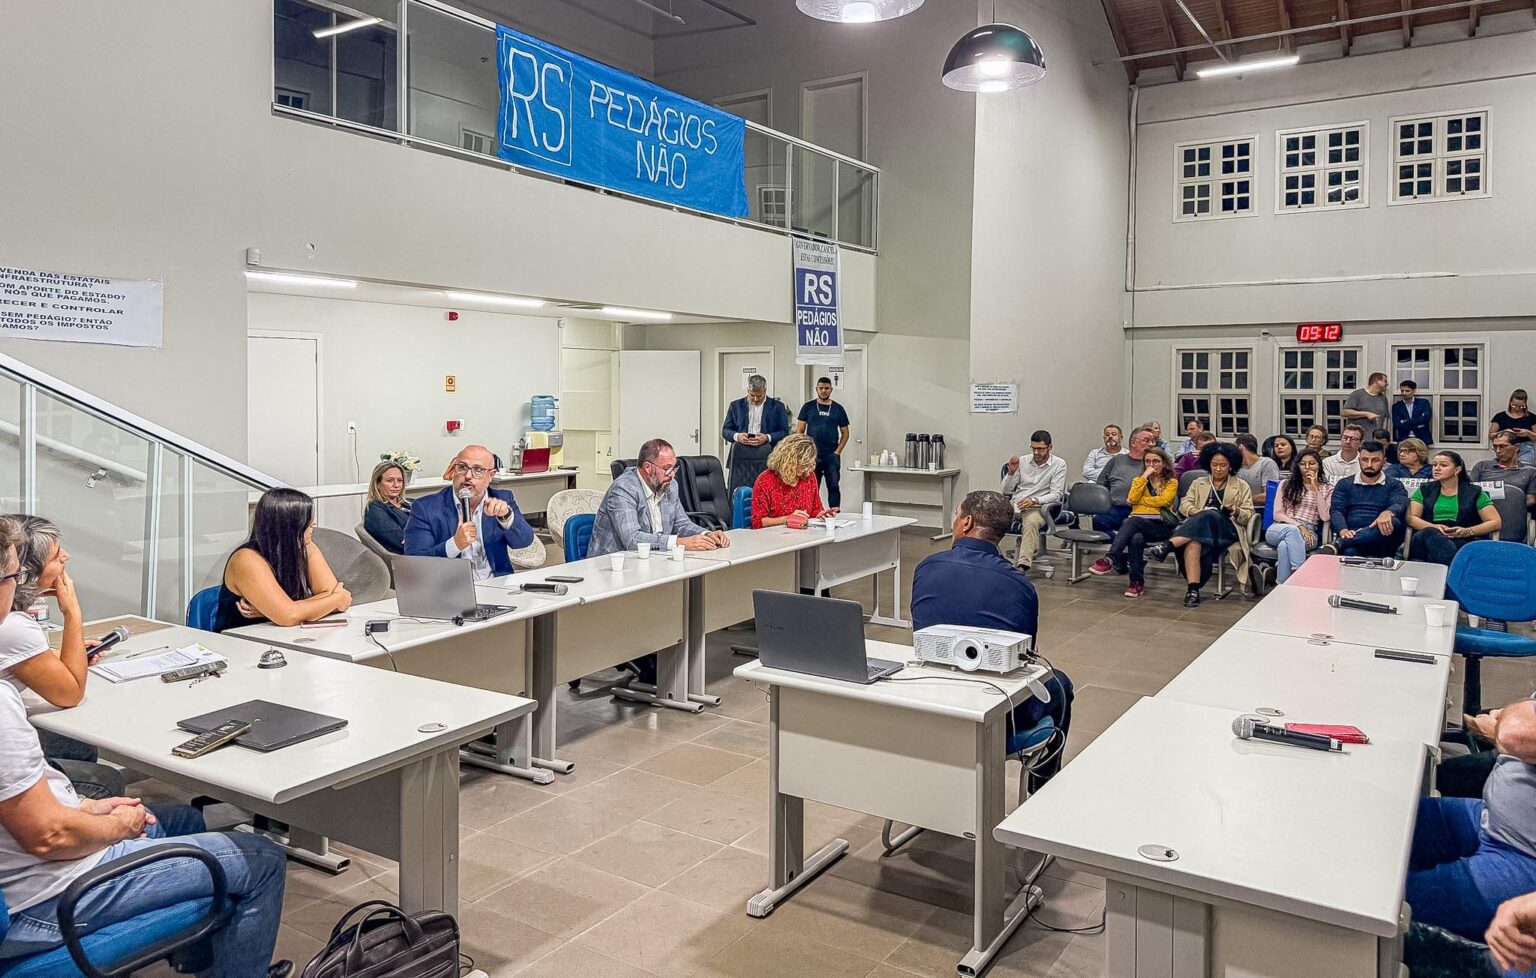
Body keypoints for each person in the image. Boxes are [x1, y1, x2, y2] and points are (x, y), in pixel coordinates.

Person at [0, 651, 288, 975]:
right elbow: (51, 836)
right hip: (42, 901)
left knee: (182, 820)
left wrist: (85, 807)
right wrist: (117, 826)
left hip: (28, 875)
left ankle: (205, 953)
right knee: (263, 859)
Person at [910, 491, 1072, 792]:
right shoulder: (1019, 585)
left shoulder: (927, 567)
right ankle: (1043, 786)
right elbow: (1024, 658)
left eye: (957, 515)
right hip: (1000, 712)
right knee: (1060, 684)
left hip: (929, 697)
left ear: (967, 523)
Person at [0, 518, 120, 801]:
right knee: (106, 777)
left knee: (78, 747)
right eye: (55, 556)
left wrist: (62, 653)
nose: (66, 556)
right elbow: (71, 693)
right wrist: (72, 611)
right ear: (26, 572)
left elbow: (20, 661)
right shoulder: (13, 626)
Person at [1405, 700, 1536, 952]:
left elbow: (1514, 732)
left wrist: (1501, 725)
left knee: (1385, 898)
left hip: (1523, 860)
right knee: (1389, 822)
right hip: (1491, 819)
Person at [215, 488, 351, 632]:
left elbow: (330, 592)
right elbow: (289, 616)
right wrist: (335, 600)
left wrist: (276, 610)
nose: (314, 523)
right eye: (306, 519)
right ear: (287, 525)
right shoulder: (246, 560)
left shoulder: (304, 545)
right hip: (244, 639)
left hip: (287, 635)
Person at [404, 445, 534, 581]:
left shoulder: (502, 499)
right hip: (451, 587)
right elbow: (416, 563)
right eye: (462, 467)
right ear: (453, 470)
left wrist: (506, 516)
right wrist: (455, 544)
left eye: (478, 470)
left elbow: (524, 541)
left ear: (491, 475)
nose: (467, 476)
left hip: (497, 584)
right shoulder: (426, 508)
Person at [1152, 443, 1254, 607]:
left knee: (1210, 514)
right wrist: (1196, 511)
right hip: (1199, 529)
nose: (1218, 469)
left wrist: (1236, 510)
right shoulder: (1199, 482)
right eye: (1214, 465)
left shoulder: (1241, 485)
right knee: (1194, 540)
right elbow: (1185, 504)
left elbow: (1249, 514)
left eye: (1223, 465)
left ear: (1231, 465)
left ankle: (1168, 545)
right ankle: (1193, 590)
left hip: (1227, 529)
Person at [590, 439, 731, 557]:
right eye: (666, 468)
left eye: (674, 468)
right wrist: (680, 543)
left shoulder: (670, 485)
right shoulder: (623, 489)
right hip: (613, 565)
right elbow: (632, 539)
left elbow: (681, 524)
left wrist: (706, 534)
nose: (672, 474)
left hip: (652, 559)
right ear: (648, 467)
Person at [1095, 447, 1177, 598]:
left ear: (1164, 463)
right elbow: (1132, 499)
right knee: (1135, 538)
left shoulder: (1171, 482)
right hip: (1140, 523)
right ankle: (1136, 583)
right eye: (1148, 462)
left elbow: (1164, 501)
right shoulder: (1139, 481)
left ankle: (1111, 557)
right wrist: (1144, 476)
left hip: (1161, 525)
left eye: (1156, 461)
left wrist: (1142, 501)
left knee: (1132, 521)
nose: (1151, 465)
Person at [1407, 450, 1500, 567]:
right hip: (1426, 535)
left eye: (1443, 465)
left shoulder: (1474, 492)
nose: (1437, 468)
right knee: (1431, 534)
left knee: (1434, 554)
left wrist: (1468, 531)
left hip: (1463, 537)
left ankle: (1448, 572)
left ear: (1457, 470)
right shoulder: (1424, 489)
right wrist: (1434, 527)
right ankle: (1456, 570)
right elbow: (1411, 518)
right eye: (1434, 465)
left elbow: (1495, 522)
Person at [1325, 441, 1407, 558]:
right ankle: (1345, 542)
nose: (1369, 464)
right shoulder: (1344, 484)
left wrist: (1388, 512)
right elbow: (1336, 510)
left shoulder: (1395, 485)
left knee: (1393, 521)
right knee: (1350, 553)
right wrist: (1343, 531)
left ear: (1384, 462)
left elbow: (1399, 503)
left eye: (1375, 460)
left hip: (1383, 539)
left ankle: (1339, 543)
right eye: (1364, 460)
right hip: (1351, 535)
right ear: (1359, 460)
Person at [1000, 430, 1067, 572]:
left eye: (1041, 449)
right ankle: (989, 557)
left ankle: (1022, 565)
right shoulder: (1023, 461)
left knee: (1031, 522)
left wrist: (1034, 500)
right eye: (1033, 448)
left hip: (1039, 507)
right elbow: (1006, 490)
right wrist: (1011, 473)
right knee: (988, 516)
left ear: (1050, 447)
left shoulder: (1059, 464)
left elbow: (1056, 495)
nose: (1036, 452)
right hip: (1016, 503)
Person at [1264, 450, 1333, 582]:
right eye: (1303, 464)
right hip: (1281, 527)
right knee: (1292, 531)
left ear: (1318, 465)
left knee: (1284, 546)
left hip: (1309, 532)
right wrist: (1299, 525)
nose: (1307, 467)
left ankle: (1282, 585)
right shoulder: (1286, 484)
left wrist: (1315, 488)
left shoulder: (1328, 488)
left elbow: (1325, 517)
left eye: (1312, 463)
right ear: (1298, 466)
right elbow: (1277, 514)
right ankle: (1300, 573)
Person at [1089, 426, 1157, 556]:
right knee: (1098, 521)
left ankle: (1117, 555)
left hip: (1142, 510)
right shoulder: (1116, 461)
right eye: (1146, 440)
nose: (1151, 444)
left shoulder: (1153, 464)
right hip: (1116, 508)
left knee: (1134, 531)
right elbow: (1102, 485)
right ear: (1134, 443)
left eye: (1153, 441)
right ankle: (1122, 551)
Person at [722, 374, 791, 495]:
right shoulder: (735, 406)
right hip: (740, 455)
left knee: (766, 492)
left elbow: (784, 432)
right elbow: (726, 431)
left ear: (765, 390)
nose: (755, 399)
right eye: (752, 395)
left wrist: (767, 437)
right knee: (737, 493)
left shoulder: (777, 407)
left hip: (767, 455)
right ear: (747, 390)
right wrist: (737, 436)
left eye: (759, 396)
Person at [750, 434, 827, 529]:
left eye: (810, 465)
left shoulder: (809, 477)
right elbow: (757, 522)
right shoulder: (765, 480)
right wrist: (786, 519)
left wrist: (822, 515)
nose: (807, 470)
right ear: (789, 462)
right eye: (803, 466)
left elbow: (816, 509)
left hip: (804, 534)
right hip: (775, 536)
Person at [795, 377, 851, 509]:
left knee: (834, 486)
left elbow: (845, 433)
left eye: (826, 388)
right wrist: (805, 451)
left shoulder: (838, 409)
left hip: (831, 455)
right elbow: (800, 431)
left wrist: (837, 452)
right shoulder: (808, 407)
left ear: (831, 389)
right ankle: (810, 513)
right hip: (812, 456)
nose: (824, 391)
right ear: (816, 389)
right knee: (811, 486)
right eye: (821, 388)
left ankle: (834, 514)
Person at [1472, 431, 1536, 512]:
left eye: (1502, 446)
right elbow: (1469, 493)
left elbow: (1531, 500)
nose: (1498, 451)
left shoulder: (1530, 471)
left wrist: (1506, 508)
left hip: (1514, 513)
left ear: (1517, 447)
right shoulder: (1482, 466)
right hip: (1484, 512)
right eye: (1495, 446)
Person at [362, 460, 411, 555]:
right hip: (409, 559)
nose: (396, 485)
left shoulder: (408, 503)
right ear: (377, 484)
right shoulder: (375, 509)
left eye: (399, 480)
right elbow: (402, 541)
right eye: (390, 480)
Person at [1491, 389, 1536, 465]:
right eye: (1514, 405)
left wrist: (1528, 433)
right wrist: (1504, 432)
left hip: (1526, 449)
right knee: (1504, 467)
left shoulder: (1531, 417)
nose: (1517, 408)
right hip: (1505, 447)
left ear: (1525, 404)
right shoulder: (1500, 417)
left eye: (1521, 406)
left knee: (1524, 468)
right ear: (1510, 402)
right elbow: (1491, 435)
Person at [1234, 433, 1280, 506]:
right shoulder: (1237, 467)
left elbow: (1269, 495)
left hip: (1261, 509)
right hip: (1240, 509)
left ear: (1240, 447)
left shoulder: (1266, 463)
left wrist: (1244, 500)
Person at [1393, 379, 1433, 445]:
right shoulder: (1396, 406)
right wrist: (1418, 424)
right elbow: (1397, 424)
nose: (1404, 393)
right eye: (1402, 391)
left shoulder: (1423, 403)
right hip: (1404, 439)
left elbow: (1426, 418)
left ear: (1413, 391)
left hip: (1422, 439)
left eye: (1407, 391)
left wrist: (1405, 421)